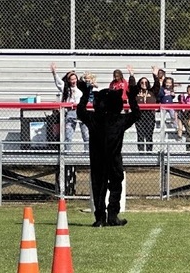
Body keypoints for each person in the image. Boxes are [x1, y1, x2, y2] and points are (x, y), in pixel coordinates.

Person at [77, 79, 140, 227]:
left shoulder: (93, 118)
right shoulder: (120, 119)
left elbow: (80, 111)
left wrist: (85, 94)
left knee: (99, 187)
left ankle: (100, 218)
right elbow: (136, 114)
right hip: (114, 159)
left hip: (97, 159)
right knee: (116, 185)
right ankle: (112, 216)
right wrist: (132, 98)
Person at [50, 62, 89, 152]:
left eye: (75, 79)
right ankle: (68, 153)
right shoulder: (66, 88)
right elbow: (58, 83)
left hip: (81, 111)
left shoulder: (81, 87)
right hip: (71, 112)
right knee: (68, 134)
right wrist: (54, 73)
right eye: (71, 79)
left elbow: (92, 88)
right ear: (69, 80)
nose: (73, 81)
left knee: (86, 134)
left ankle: (87, 153)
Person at [130, 73, 156, 152]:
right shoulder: (137, 92)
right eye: (142, 82)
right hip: (139, 116)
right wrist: (132, 75)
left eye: (146, 82)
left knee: (149, 135)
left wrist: (155, 75)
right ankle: (141, 152)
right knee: (140, 134)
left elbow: (157, 86)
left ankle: (149, 152)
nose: (144, 84)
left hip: (150, 115)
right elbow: (132, 87)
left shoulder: (152, 92)